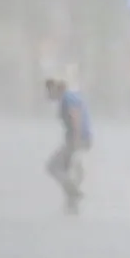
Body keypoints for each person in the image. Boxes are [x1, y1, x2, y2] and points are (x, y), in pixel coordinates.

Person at [44, 78, 94, 214]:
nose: (48, 96)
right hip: (80, 138)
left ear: (53, 89)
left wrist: (76, 139)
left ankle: (73, 192)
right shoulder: (70, 96)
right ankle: (72, 195)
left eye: (48, 92)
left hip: (77, 139)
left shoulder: (67, 97)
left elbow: (75, 115)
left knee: (53, 166)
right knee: (70, 167)